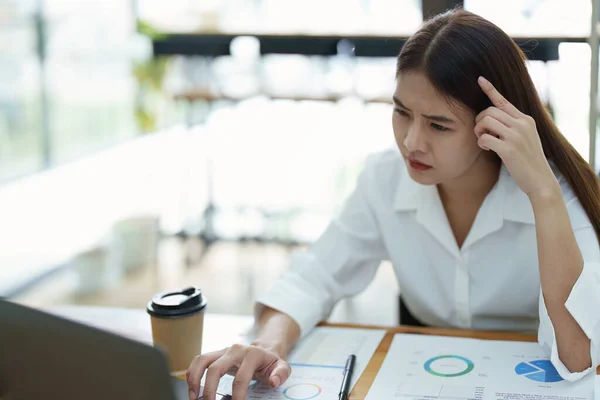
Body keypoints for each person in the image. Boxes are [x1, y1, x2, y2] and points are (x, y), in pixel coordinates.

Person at [187, 9, 600, 400]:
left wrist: (544, 197)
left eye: (439, 125)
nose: (411, 142)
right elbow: (314, 277)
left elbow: (578, 354)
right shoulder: (386, 177)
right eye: (402, 112)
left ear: (493, 123)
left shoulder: (553, 189)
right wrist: (267, 344)